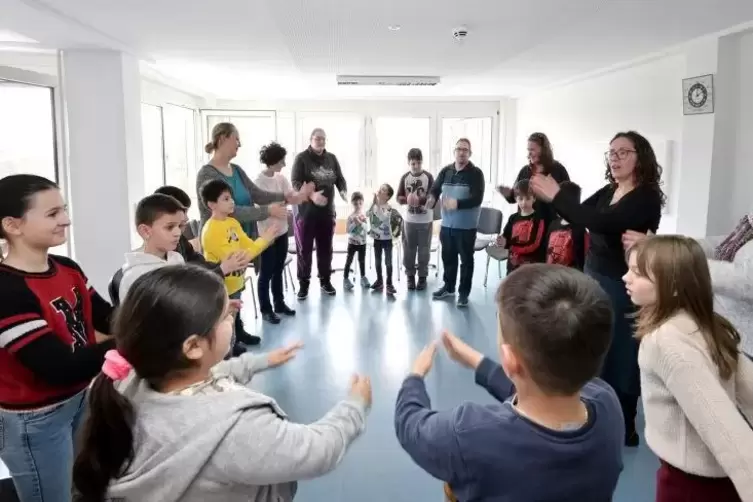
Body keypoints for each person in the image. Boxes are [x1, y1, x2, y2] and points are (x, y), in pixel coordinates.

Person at [72, 265, 372, 502]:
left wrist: (261, 360)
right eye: (225, 316)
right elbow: (318, 450)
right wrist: (354, 406)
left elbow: (215, 373)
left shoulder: (128, 382)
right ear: (192, 347)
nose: (233, 316)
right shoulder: (237, 429)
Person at [394, 264, 623, 501]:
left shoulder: (470, 435)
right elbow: (542, 390)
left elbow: (410, 425)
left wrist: (415, 377)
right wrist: (478, 362)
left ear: (509, 359)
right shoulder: (607, 403)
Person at [531, 130, 665, 446]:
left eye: (624, 152)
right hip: (594, 278)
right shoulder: (609, 191)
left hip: (623, 287)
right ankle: (595, 412)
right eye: (612, 152)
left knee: (621, 356)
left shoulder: (645, 197)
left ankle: (624, 425)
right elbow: (579, 215)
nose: (615, 157)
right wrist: (553, 197)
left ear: (640, 157)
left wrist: (558, 195)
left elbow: (602, 223)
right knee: (594, 350)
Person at [0, 174, 115, 502]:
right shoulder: (7, 290)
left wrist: (149, 314)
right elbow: (56, 367)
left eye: (63, 210)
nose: (66, 219)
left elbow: (105, 316)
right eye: (52, 214)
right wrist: (135, 338)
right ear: (13, 225)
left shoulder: (67, 267)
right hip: (34, 420)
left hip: (79, 397)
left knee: (80, 484)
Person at [624, 235, 753, 501]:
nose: (626, 278)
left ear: (673, 285)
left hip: (692, 488)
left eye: (638, 273)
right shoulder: (707, 325)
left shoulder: (665, 342)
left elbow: (726, 430)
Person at [196, 122, 313, 336]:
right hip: (220, 243)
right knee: (224, 290)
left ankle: (238, 332)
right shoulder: (207, 174)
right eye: (236, 139)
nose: (239, 144)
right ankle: (228, 337)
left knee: (237, 287)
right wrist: (267, 212)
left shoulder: (237, 171)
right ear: (222, 139)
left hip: (240, 237)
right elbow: (231, 210)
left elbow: (257, 195)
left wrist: (286, 197)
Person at [623, 213, 753, 356]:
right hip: (724, 331)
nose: (625, 278)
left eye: (638, 272)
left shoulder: (670, 339)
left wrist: (677, 260)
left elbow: (746, 280)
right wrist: (664, 247)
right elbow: (720, 245)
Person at [200, 179, 280, 350]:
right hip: (221, 284)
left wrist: (262, 240)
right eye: (226, 199)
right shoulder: (211, 231)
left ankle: (239, 333)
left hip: (236, 281)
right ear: (212, 204)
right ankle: (230, 345)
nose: (232, 202)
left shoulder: (232, 222)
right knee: (224, 318)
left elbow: (248, 246)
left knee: (235, 313)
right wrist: (265, 239)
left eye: (231, 198)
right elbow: (239, 259)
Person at [290, 127, 348, 300]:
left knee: (325, 249)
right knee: (305, 250)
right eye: (317, 138)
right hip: (306, 214)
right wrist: (311, 195)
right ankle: (304, 284)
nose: (321, 141)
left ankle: (325, 280)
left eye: (323, 139)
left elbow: (340, 179)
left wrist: (344, 191)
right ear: (310, 139)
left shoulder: (332, 158)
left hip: (327, 213)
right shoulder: (301, 158)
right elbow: (295, 183)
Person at [427, 138, 485, 308]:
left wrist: (457, 204)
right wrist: (431, 199)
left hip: (466, 227)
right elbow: (435, 189)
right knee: (448, 258)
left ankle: (463, 294)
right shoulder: (446, 171)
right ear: (454, 151)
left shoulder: (476, 174)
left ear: (470, 153)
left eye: (465, 150)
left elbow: (477, 199)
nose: (461, 152)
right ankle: (449, 287)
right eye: (459, 149)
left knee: (466, 261)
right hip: (447, 226)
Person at [254, 142, 305, 324]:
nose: (284, 164)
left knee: (278, 269)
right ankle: (266, 310)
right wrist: (284, 201)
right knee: (266, 273)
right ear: (273, 161)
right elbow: (264, 208)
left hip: (282, 231)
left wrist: (304, 194)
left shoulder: (281, 179)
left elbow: (290, 197)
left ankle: (279, 304)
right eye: (282, 160)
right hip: (267, 235)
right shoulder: (258, 183)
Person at [154, 186, 250, 278]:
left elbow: (198, 262)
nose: (186, 218)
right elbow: (187, 284)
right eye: (183, 213)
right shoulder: (156, 260)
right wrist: (223, 269)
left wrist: (223, 265)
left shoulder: (180, 241)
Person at [118, 194, 187, 301]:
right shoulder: (134, 277)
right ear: (145, 231)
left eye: (180, 226)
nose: (178, 233)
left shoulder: (177, 258)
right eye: (170, 227)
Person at [497, 132, 570, 225]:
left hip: (549, 226)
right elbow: (515, 197)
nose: (529, 153)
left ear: (544, 150)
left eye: (532, 150)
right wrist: (508, 194)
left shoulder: (558, 170)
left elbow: (568, 201)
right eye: (528, 150)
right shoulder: (524, 171)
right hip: (526, 226)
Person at [396, 148, 435, 291]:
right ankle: (410, 277)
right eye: (413, 164)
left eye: (418, 163)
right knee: (409, 249)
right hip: (409, 220)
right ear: (409, 163)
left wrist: (421, 199)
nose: (416, 166)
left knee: (424, 250)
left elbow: (433, 197)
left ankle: (423, 277)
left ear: (421, 162)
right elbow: (398, 198)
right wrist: (407, 199)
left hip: (425, 220)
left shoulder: (429, 177)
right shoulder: (404, 177)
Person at [496, 179, 546, 274]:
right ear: (516, 199)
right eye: (520, 199)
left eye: (527, 199)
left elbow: (535, 245)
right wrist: (502, 241)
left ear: (534, 198)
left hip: (530, 267)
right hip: (512, 265)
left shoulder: (539, 219)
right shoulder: (513, 218)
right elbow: (506, 236)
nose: (524, 203)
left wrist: (511, 247)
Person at [367, 184, 402, 295]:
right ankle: (379, 281)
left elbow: (383, 217)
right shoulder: (375, 205)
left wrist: (376, 204)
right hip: (377, 238)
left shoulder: (389, 208)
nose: (380, 190)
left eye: (383, 190)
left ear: (387, 196)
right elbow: (368, 214)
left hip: (387, 239)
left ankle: (389, 283)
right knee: (377, 261)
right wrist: (373, 204)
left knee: (388, 262)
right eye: (380, 188)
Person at [544, 181, 586, 270]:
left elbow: (581, 259)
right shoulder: (553, 224)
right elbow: (546, 251)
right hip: (550, 275)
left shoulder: (580, 228)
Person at [343, 192, 370, 291]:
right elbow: (347, 230)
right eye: (355, 203)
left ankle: (363, 277)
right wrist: (354, 223)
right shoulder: (350, 217)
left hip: (362, 243)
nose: (358, 205)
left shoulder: (364, 216)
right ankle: (345, 279)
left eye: (360, 203)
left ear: (362, 203)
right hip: (352, 243)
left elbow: (367, 229)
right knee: (349, 261)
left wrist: (360, 223)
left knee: (362, 261)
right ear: (352, 203)